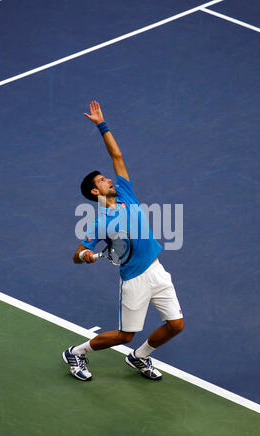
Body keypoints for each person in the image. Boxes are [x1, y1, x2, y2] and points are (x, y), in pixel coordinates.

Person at [62, 100, 184, 381]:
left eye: (108, 178)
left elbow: (117, 157)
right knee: (124, 335)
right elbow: (77, 253)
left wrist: (102, 126)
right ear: (95, 192)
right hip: (134, 280)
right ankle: (75, 352)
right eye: (104, 181)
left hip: (157, 270)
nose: (110, 180)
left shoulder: (126, 193)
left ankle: (139, 358)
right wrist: (86, 256)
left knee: (176, 325)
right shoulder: (98, 223)